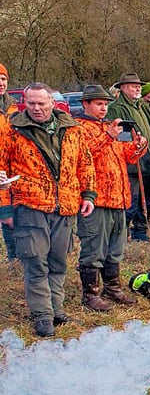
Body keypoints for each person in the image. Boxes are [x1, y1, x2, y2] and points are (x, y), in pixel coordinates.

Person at [0, 83, 97, 337]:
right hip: (29, 206)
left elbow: (84, 164)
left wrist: (88, 195)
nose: (36, 108)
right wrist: (5, 210)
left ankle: (56, 309)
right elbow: (1, 171)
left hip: (65, 206)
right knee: (36, 262)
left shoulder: (72, 130)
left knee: (58, 262)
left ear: (52, 103)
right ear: (25, 103)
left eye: (41, 103)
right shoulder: (12, 131)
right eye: (31, 103)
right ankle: (42, 315)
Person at [74, 85, 148, 311]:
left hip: (119, 197)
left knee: (115, 247)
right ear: (86, 104)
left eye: (106, 104)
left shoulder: (110, 127)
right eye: (98, 104)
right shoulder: (78, 128)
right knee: (94, 246)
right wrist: (107, 136)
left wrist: (138, 147)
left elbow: (125, 156)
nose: (103, 108)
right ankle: (90, 293)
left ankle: (112, 287)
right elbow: (82, 156)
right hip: (95, 199)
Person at [107, 72, 150, 243]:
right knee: (132, 198)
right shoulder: (116, 107)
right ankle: (124, 231)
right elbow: (120, 134)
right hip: (131, 160)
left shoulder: (142, 106)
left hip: (149, 156)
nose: (137, 88)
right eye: (132, 86)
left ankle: (141, 228)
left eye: (138, 86)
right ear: (122, 88)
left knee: (148, 198)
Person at [0, 63, 18, 260]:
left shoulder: (14, 106)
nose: (1, 83)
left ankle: (20, 261)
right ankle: (13, 261)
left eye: (3, 78)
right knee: (7, 217)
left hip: (14, 169)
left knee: (17, 215)